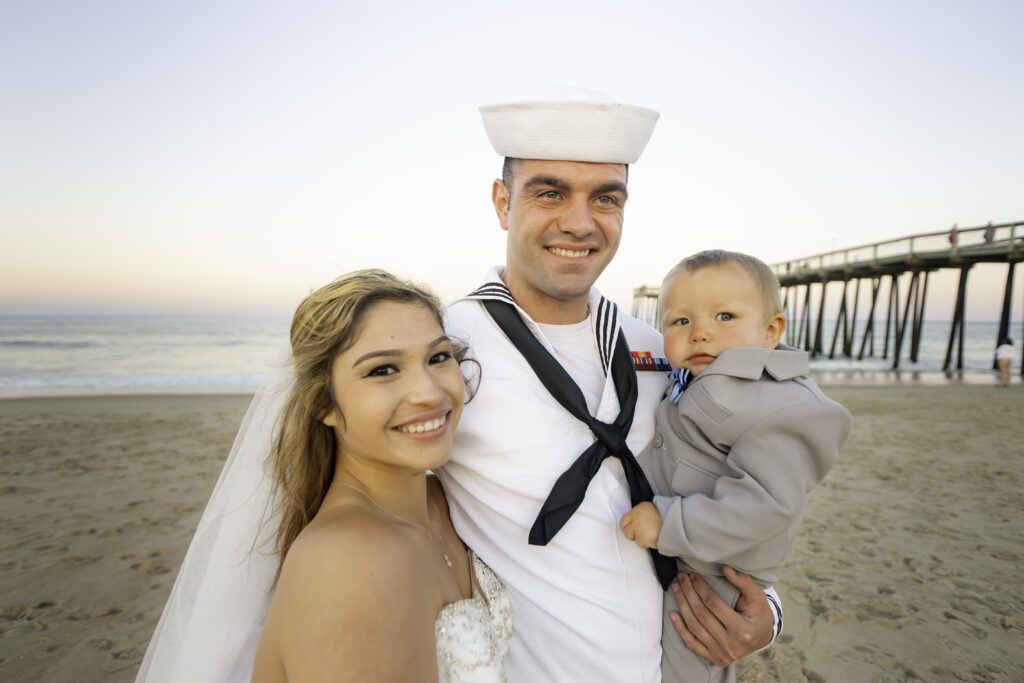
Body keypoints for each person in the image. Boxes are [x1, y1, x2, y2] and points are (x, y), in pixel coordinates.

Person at [436, 89, 783, 682]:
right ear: (501, 202)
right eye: (549, 192)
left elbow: (740, 481)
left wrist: (767, 613)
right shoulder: (445, 347)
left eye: (606, 198)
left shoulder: (661, 347)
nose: (579, 221)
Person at [139, 270, 511, 682]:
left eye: (438, 357)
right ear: (323, 404)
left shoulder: (442, 501)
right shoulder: (349, 561)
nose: (428, 392)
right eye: (383, 370)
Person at [619, 250, 850, 682]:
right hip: (686, 560)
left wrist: (668, 521)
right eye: (680, 321)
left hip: (712, 575)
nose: (701, 333)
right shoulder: (693, 377)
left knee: (686, 661)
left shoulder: (777, 404)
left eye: (724, 316)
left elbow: (766, 505)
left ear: (771, 330)